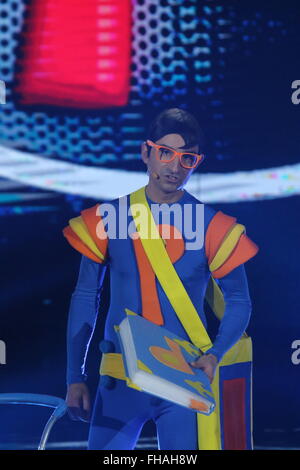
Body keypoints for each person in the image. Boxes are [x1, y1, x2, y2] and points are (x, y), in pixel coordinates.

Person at [63, 107, 258, 450]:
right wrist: (74, 378)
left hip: (183, 381)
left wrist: (214, 355)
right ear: (146, 152)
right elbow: (84, 298)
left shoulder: (216, 226)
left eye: (187, 158)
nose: (174, 166)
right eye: (165, 153)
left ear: (197, 162)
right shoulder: (106, 219)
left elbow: (240, 301)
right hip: (117, 382)